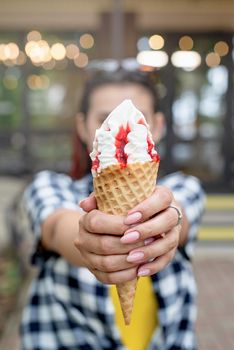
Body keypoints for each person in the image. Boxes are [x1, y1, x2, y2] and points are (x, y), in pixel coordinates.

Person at [20, 69, 205, 350]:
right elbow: (56, 225)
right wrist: (85, 236)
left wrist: (170, 218)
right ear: (82, 127)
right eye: (102, 118)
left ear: (157, 125)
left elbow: (181, 208)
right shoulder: (49, 186)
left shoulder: (185, 187)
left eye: (140, 118)